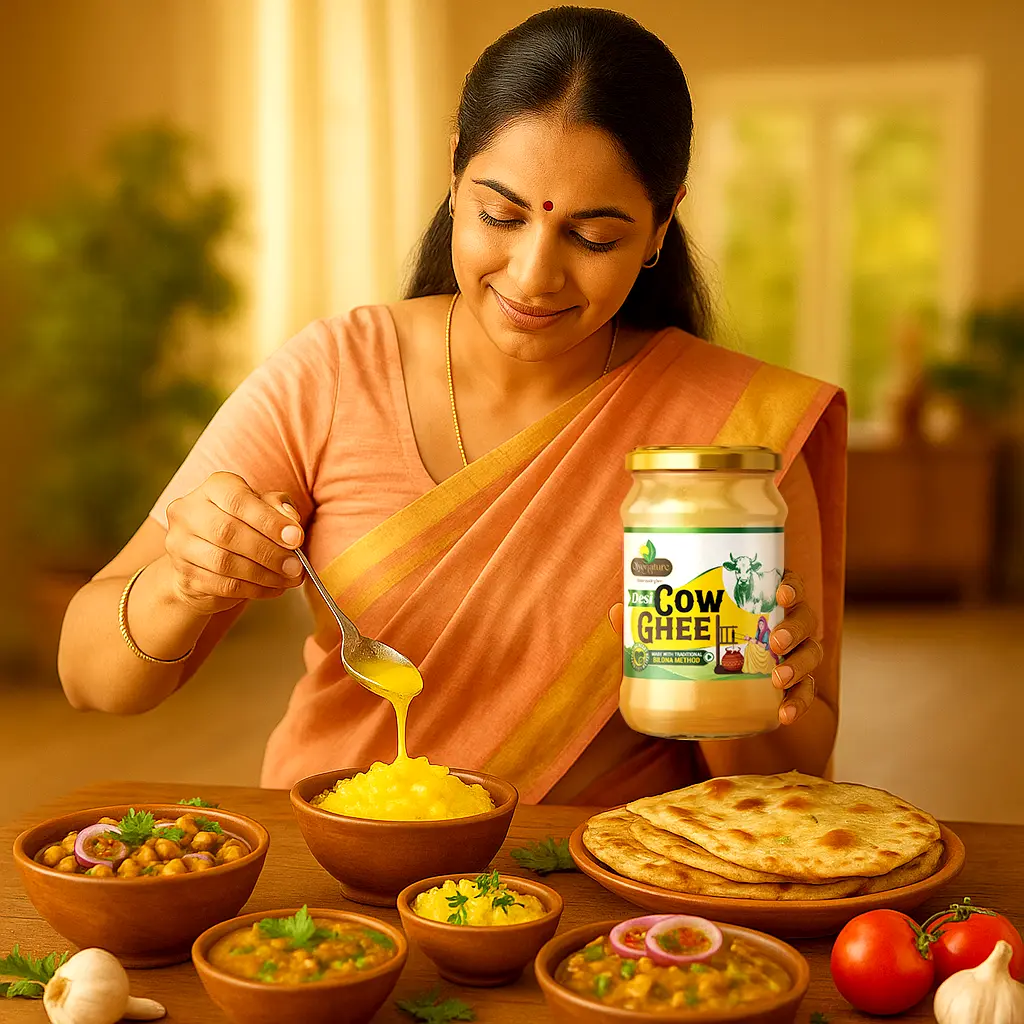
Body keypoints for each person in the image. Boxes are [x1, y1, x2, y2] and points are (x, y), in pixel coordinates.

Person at [57, 6, 845, 805]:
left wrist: (735, 682)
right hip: (341, 856)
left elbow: (794, 780)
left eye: (594, 237)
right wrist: (183, 581)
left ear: (661, 223)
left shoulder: (738, 435)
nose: (533, 275)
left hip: (605, 871)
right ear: (454, 176)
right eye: (500, 215)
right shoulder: (333, 374)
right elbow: (88, 676)